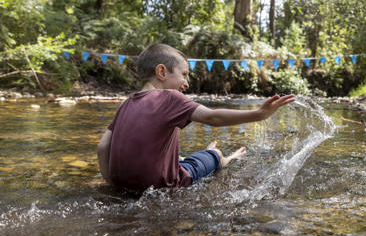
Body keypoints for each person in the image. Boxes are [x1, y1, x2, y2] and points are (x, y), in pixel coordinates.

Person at [97, 43, 295, 192]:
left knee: (181, 158)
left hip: (124, 186)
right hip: (164, 185)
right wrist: (259, 114)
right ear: (161, 72)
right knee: (214, 155)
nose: (186, 84)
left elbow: (103, 147)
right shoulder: (169, 97)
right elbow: (212, 117)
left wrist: (112, 183)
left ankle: (192, 157)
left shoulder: (127, 103)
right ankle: (228, 158)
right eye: (184, 74)